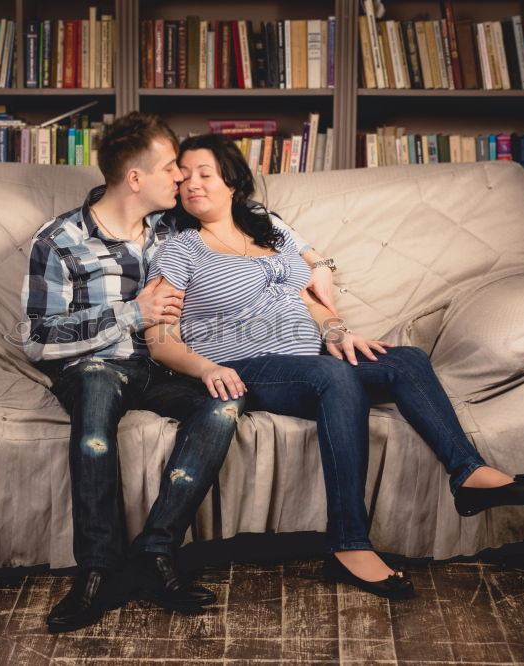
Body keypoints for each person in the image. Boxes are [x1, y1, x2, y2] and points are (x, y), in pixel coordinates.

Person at [144, 133, 524, 600]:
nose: (191, 183)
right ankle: (348, 543)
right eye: (184, 175)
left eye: (205, 173)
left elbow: (303, 299)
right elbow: (160, 341)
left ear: (232, 182)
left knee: (405, 360)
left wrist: (336, 330)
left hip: (307, 362)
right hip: (240, 365)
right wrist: (204, 369)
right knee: (332, 375)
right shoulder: (180, 249)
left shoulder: (267, 235)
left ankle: (468, 475)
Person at [21, 113, 337, 632]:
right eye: (173, 168)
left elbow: (254, 215)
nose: (185, 179)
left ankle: (157, 551)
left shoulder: (175, 224)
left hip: (165, 365)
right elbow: (38, 340)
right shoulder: (60, 241)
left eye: (191, 172)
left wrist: (316, 259)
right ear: (137, 179)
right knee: (99, 389)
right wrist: (131, 314)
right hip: (98, 366)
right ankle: (98, 569)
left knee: (224, 402)